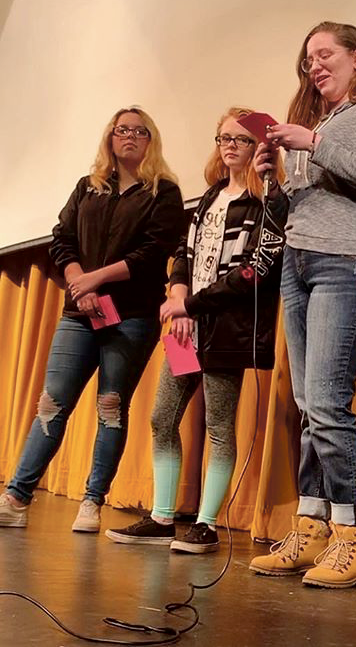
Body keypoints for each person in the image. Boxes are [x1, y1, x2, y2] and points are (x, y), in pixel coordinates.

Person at [248, 21, 356, 587]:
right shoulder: (320, 123)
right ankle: (312, 523)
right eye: (308, 60)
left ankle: (354, 536)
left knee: (326, 401)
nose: (315, 66)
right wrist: (274, 179)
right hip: (298, 261)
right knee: (305, 401)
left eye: (325, 55)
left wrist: (315, 144)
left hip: (347, 262)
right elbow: (302, 204)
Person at [105, 107, 286, 553]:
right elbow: (183, 253)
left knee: (219, 426)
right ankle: (163, 517)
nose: (229, 146)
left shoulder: (267, 203)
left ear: (259, 148)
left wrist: (192, 303)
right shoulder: (209, 196)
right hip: (187, 326)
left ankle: (205, 524)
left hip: (226, 327)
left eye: (240, 140)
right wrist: (178, 293)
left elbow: (256, 272)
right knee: (161, 417)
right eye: (223, 137)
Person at [0, 107, 183, 532]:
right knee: (52, 402)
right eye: (122, 130)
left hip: (131, 316)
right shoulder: (88, 187)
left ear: (150, 141)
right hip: (78, 313)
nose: (130, 137)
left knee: (111, 407)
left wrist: (97, 279)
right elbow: (61, 238)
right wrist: (78, 281)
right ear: (110, 138)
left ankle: (92, 502)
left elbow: (154, 252)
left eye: (140, 131)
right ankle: (16, 497)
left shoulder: (164, 192)